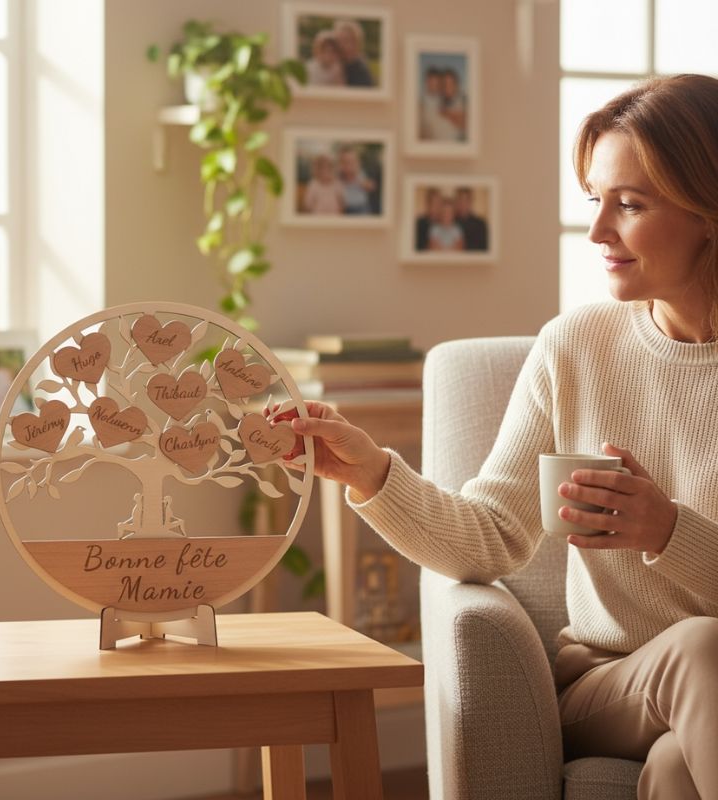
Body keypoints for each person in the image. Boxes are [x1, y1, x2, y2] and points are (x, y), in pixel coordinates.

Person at [278, 74, 718, 799]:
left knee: (675, 769)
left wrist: (670, 531)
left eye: (631, 205)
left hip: (696, 705)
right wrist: (371, 473)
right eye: (595, 201)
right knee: (703, 650)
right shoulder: (576, 347)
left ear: (707, 211)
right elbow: (490, 537)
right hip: (609, 685)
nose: (599, 232)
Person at [333, 19, 373, 87]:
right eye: (338, 40)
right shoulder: (334, 64)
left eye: (346, 40)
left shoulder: (361, 72)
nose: (341, 45)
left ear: (356, 43)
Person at [337, 146, 376, 215]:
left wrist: (358, 179)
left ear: (358, 163)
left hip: (360, 206)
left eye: (352, 162)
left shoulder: (360, 174)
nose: (349, 166)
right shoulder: (339, 175)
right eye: (345, 162)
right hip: (345, 207)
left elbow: (371, 187)